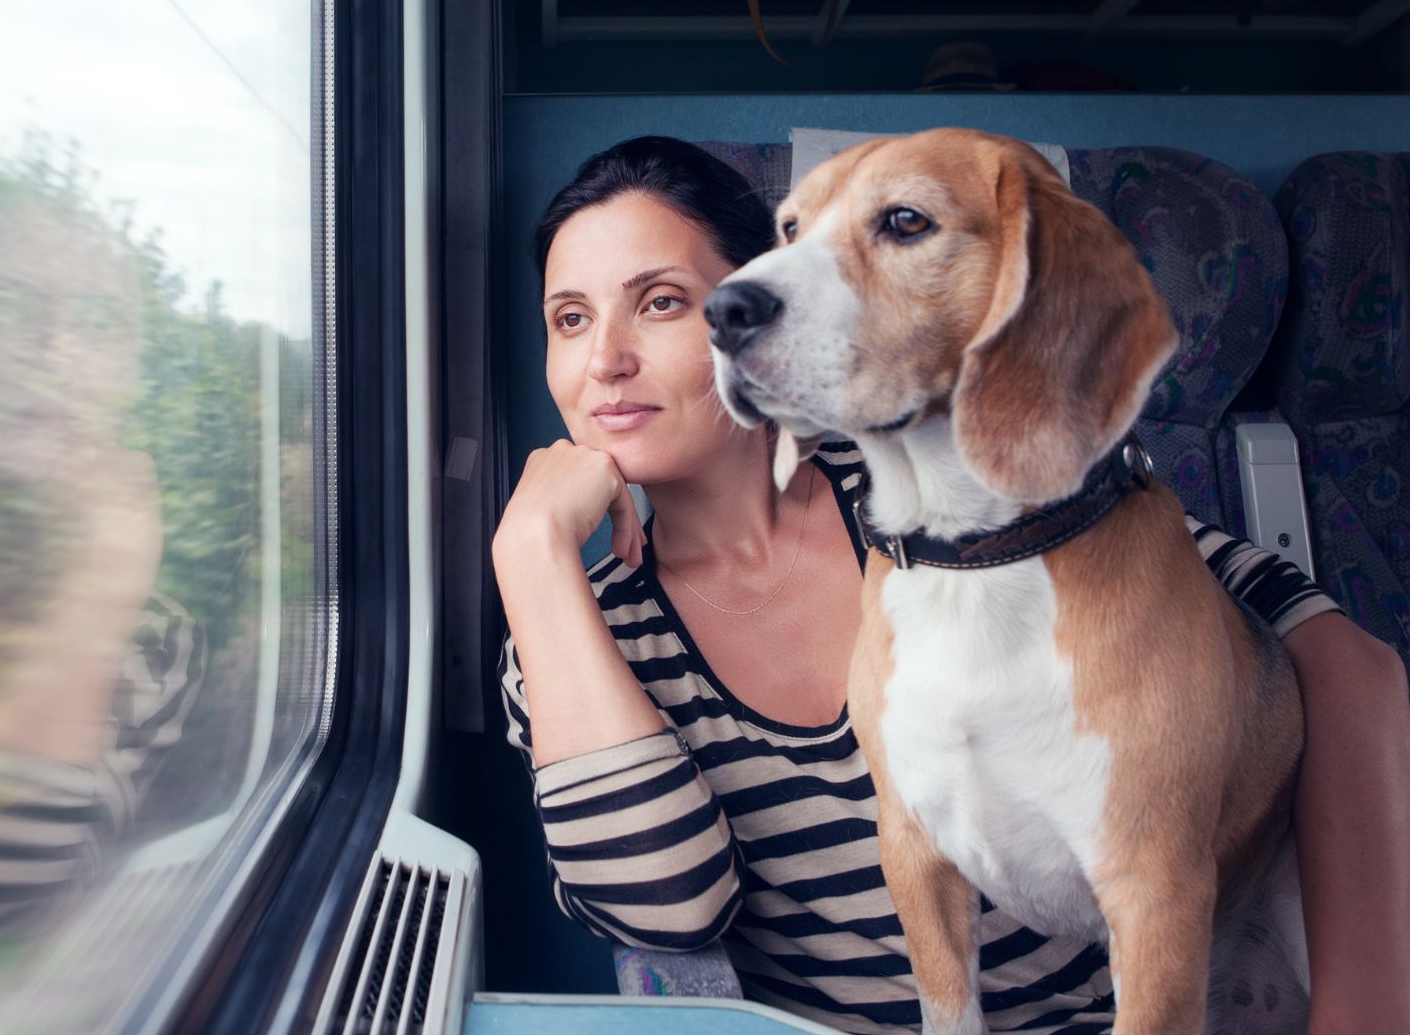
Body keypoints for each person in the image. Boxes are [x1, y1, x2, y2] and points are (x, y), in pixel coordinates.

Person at [491, 135, 1410, 1034]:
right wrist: (531, 554)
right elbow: (667, 911)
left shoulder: (940, 481)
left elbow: (1338, 661)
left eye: (660, 302)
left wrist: (1363, 1011)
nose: (603, 360)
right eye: (569, 320)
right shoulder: (569, 633)